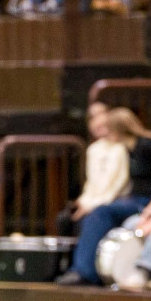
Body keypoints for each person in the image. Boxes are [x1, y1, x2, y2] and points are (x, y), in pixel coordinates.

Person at [58, 108, 151, 285]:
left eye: (108, 129)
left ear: (118, 129)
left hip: (145, 201)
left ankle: (85, 272)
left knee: (101, 212)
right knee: (83, 216)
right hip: (135, 200)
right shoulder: (124, 149)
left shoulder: (149, 146)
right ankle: (86, 270)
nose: (105, 133)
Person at [56, 101, 130, 235]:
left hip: (114, 200)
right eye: (93, 117)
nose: (98, 121)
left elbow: (119, 183)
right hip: (93, 202)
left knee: (94, 216)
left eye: (101, 114)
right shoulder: (93, 150)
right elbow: (92, 184)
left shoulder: (121, 147)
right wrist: (84, 202)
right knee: (65, 219)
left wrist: (93, 204)